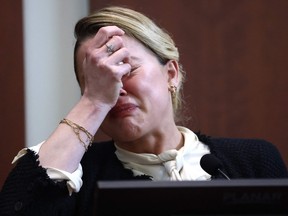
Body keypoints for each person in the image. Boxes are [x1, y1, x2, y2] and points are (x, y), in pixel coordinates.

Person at [0, 6, 287, 216]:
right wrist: (95, 102)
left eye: (127, 68)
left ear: (171, 74)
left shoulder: (254, 161)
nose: (116, 88)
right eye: (97, 80)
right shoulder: (78, 176)